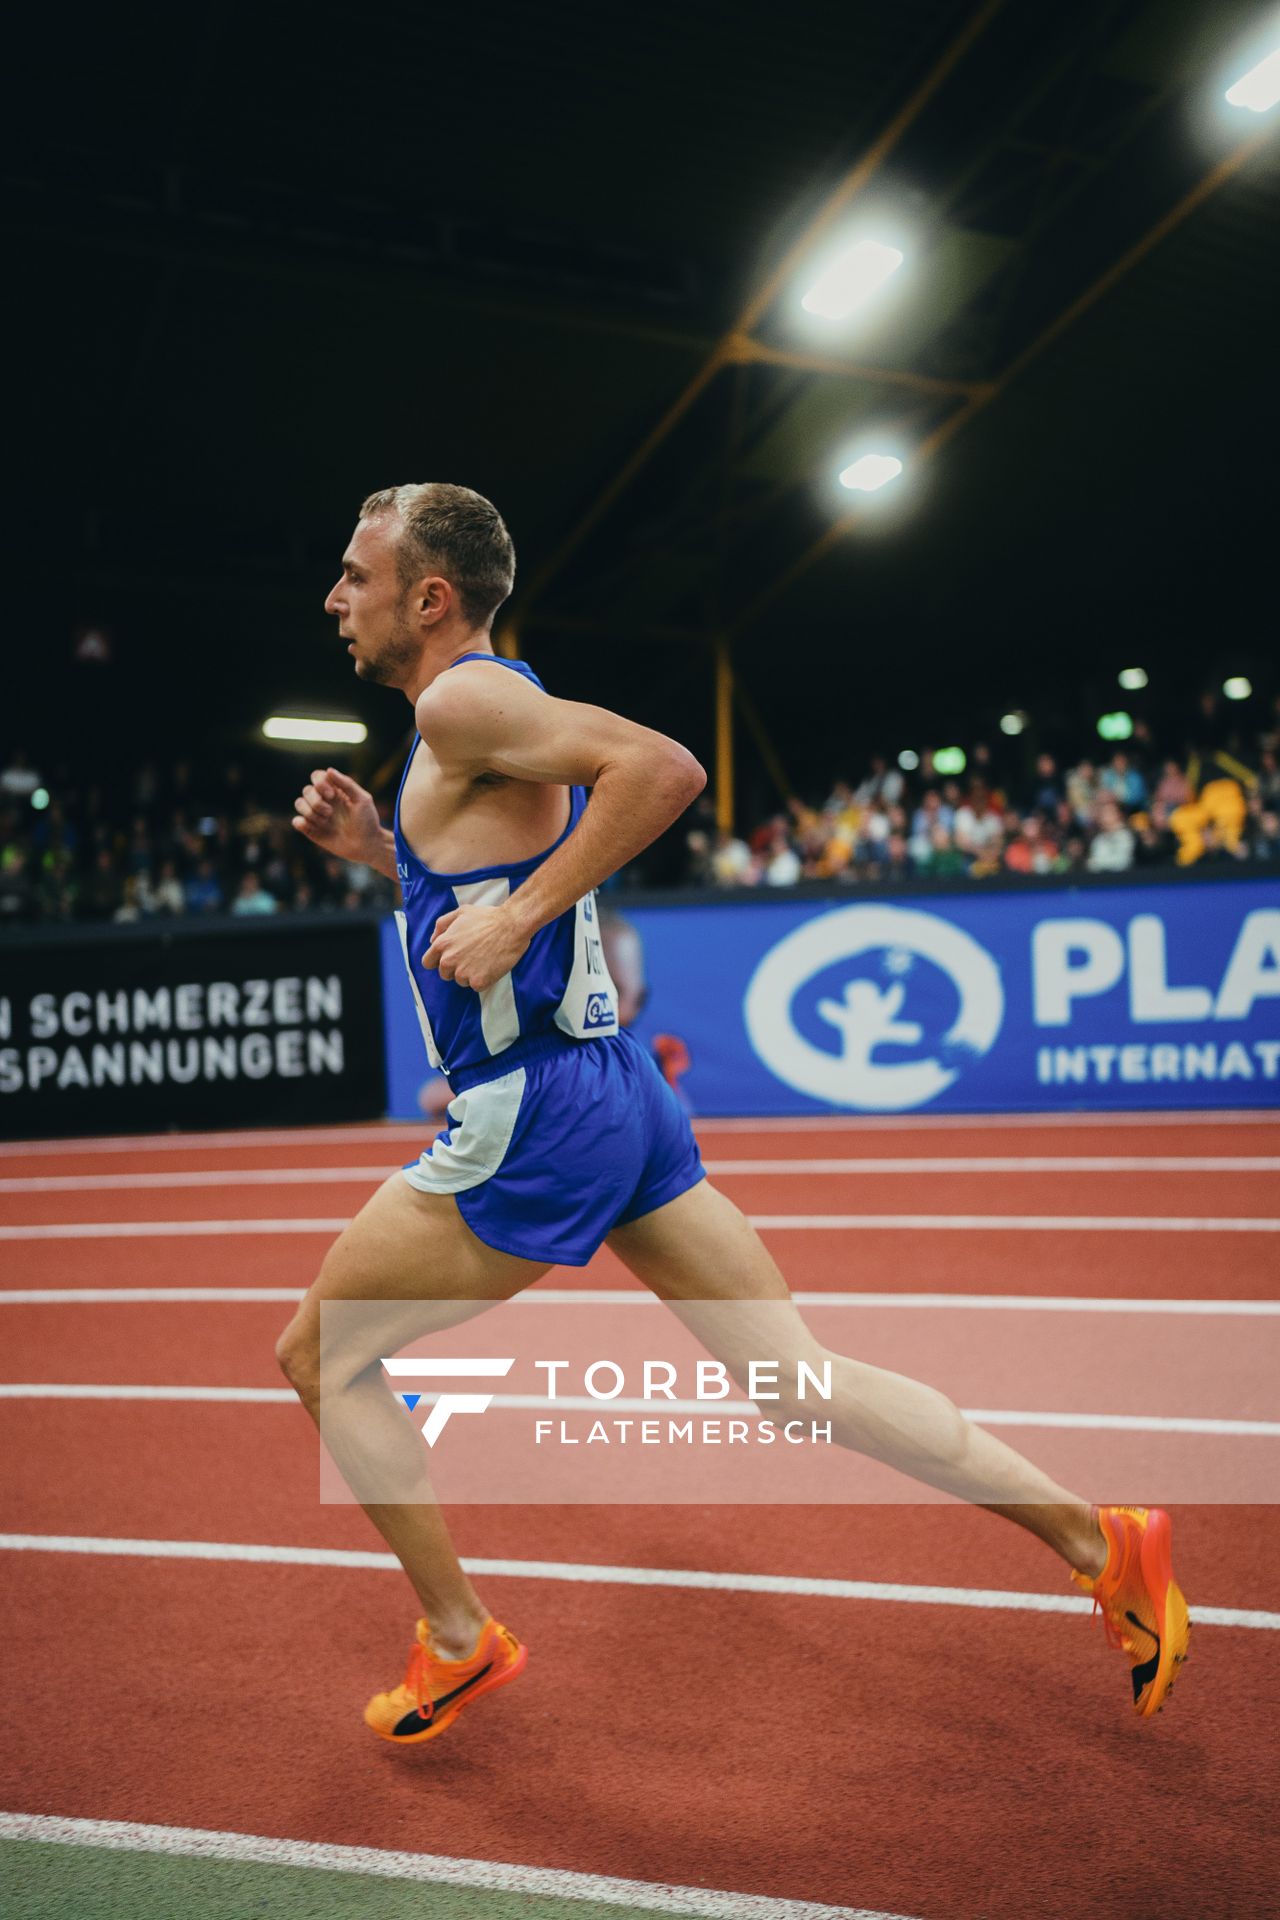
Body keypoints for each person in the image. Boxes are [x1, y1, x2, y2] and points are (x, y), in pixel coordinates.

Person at [279, 481, 1188, 1746]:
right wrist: (396, 858)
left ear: (427, 597)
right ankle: (1103, 1544)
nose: (335, 598)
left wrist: (519, 914)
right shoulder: (478, 710)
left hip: (533, 1107)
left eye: (352, 575)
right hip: (614, 1095)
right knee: (793, 1377)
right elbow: (488, 874)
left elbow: (662, 770)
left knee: (319, 1356)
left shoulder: (460, 695)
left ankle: (456, 1637)